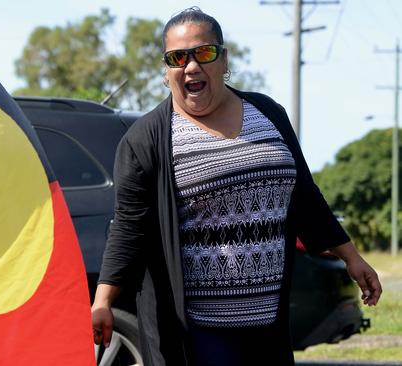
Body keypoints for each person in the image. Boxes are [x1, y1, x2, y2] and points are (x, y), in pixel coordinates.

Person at [91, 7, 382, 366]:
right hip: (201, 330)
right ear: (167, 70)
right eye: (178, 58)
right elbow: (129, 229)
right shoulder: (148, 139)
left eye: (205, 53)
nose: (192, 66)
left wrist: (351, 257)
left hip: (269, 321)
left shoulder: (268, 114)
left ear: (224, 59)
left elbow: (304, 195)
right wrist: (103, 301)